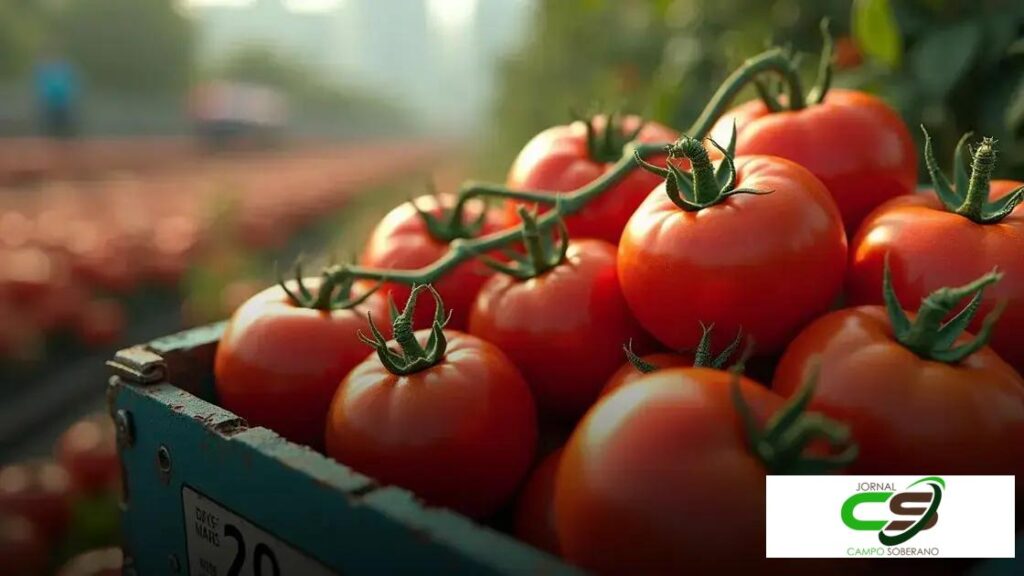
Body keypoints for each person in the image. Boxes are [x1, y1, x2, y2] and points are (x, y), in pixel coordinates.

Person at [34, 52, 80, 139]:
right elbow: (42, 90)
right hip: (50, 106)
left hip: (64, 106)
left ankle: (67, 142)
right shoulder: (46, 73)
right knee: (50, 128)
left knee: (66, 128)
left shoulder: (66, 72)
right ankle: (49, 142)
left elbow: (73, 88)